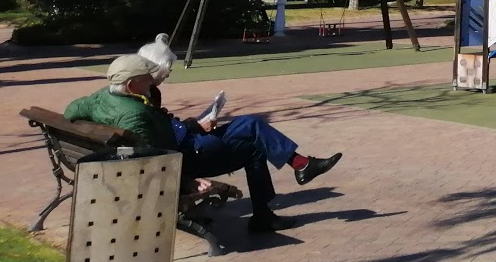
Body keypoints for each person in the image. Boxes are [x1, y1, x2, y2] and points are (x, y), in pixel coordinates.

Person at [65, 53, 342, 235]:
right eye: (146, 78)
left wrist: (188, 125)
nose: (152, 80)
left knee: (252, 134)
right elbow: (152, 159)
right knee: (253, 129)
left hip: (182, 143)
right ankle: (293, 175)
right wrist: (188, 181)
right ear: (130, 85)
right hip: (186, 156)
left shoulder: (101, 97)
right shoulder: (133, 113)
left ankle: (287, 183)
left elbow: (69, 112)